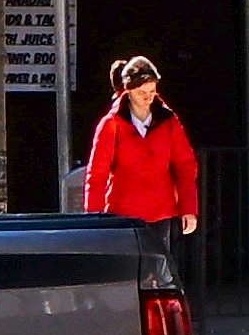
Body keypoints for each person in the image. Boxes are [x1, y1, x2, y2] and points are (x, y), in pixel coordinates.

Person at [78, 55, 200, 239]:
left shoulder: (168, 121)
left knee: (157, 265)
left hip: (161, 213)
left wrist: (188, 208)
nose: (149, 97)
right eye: (142, 92)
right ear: (128, 91)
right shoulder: (111, 124)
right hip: (122, 215)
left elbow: (185, 165)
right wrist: (94, 218)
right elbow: (97, 175)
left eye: (152, 91)